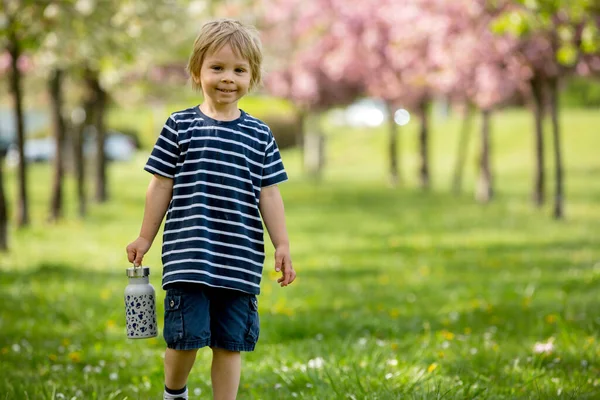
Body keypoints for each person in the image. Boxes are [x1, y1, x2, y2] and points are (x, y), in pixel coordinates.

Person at [125, 18, 296, 400]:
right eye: (217, 67)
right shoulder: (179, 126)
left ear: (252, 77)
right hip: (190, 254)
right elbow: (160, 184)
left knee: (230, 343)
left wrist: (281, 244)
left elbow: (269, 193)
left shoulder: (260, 134)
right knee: (185, 338)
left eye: (239, 69)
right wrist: (145, 236)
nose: (227, 78)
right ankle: (175, 392)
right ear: (197, 70)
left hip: (240, 258)